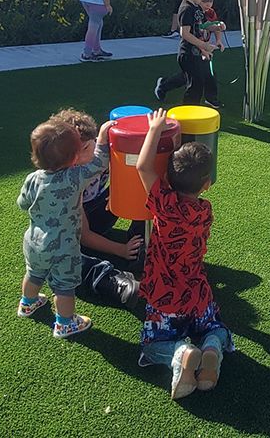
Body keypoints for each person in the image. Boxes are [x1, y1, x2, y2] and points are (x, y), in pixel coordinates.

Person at [136, 109, 233, 400]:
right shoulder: (204, 212)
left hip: (165, 297)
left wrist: (154, 129)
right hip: (197, 293)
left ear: (167, 176)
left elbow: (142, 167)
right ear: (206, 185)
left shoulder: (163, 206)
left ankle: (181, 353)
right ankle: (212, 347)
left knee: (152, 345)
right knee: (215, 328)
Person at [17, 115, 113, 337]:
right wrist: (103, 138)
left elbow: (23, 203)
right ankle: (65, 323)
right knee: (64, 287)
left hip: (34, 241)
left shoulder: (33, 178)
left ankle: (27, 303)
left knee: (34, 273)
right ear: (74, 158)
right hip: (63, 246)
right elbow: (99, 163)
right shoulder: (74, 177)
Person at [49, 108, 144, 272]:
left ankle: (140, 239)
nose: (77, 158)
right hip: (78, 231)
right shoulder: (69, 181)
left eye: (85, 148)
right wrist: (121, 250)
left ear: (95, 140)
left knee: (142, 183)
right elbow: (84, 236)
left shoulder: (103, 155)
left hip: (99, 207)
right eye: (70, 154)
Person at [176, 0, 224, 108]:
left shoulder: (196, 8)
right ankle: (188, 115)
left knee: (200, 81)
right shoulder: (186, 9)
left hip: (197, 52)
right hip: (188, 54)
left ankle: (193, 112)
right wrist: (204, 45)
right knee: (194, 86)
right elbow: (185, 33)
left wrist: (217, 26)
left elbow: (203, 26)